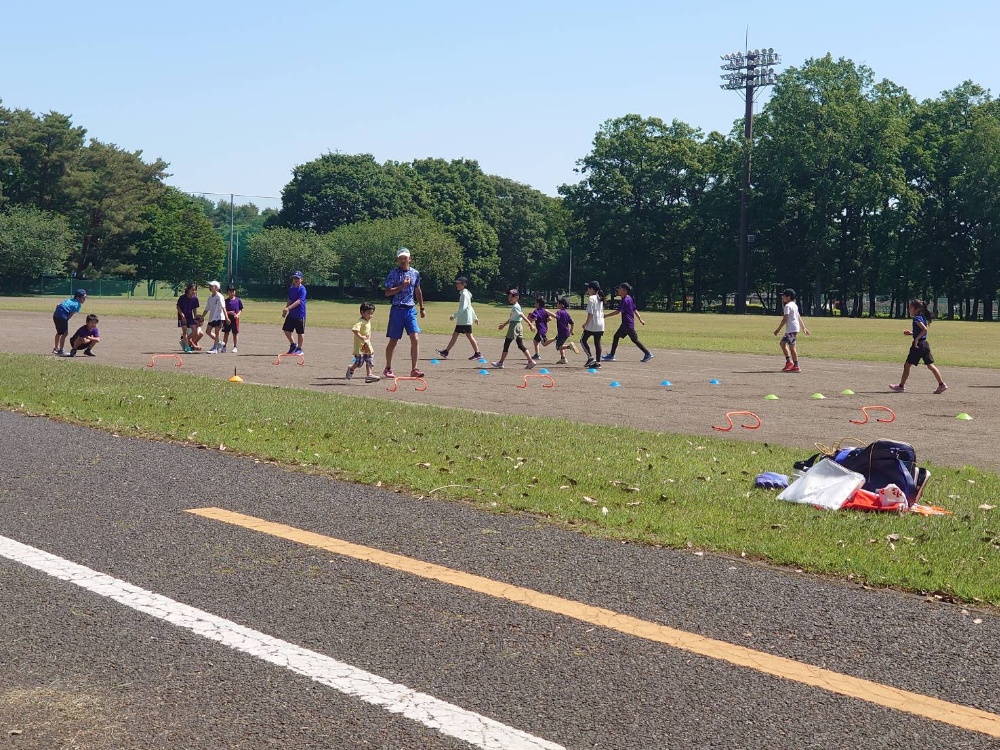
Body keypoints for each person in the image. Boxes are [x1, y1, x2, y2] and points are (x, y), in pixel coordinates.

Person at [383, 248, 425, 379]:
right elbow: (387, 292)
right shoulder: (393, 274)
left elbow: (417, 290)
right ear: (397, 260)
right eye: (400, 258)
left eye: (405, 258)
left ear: (409, 259)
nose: (403, 260)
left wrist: (422, 307)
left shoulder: (415, 273)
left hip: (410, 309)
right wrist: (402, 286)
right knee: (393, 341)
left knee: (415, 338)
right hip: (397, 309)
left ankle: (414, 369)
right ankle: (388, 368)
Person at [890, 299, 947, 394]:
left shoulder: (916, 318)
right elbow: (922, 331)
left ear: (916, 309)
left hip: (918, 345)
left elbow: (924, 330)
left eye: (910, 307)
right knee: (930, 365)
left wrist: (916, 339)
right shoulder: (922, 317)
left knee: (907, 365)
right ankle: (942, 384)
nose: (909, 309)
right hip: (924, 344)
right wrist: (912, 333)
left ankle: (901, 386)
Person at [603, 282, 652, 362]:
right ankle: (611, 355)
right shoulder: (629, 298)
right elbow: (634, 309)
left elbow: (618, 311)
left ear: (624, 290)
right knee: (616, 336)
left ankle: (647, 353)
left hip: (627, 324)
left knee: (634, 339)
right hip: (625, 324)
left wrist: (606, 315)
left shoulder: (625, 300)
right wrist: (640, 319)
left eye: (620, 288)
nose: (618, 290)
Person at [436, 276, 481, 361]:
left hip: (464, 320)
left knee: (469, 336)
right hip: (464, 320)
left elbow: (464, 307)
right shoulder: (465, 293)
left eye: (459, 283)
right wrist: (475, 317)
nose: (457, 285)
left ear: (463, 284)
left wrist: (454, 315)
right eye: (457, 283)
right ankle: (446, 351)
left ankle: (477, 353)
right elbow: (469, 307)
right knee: (456, 335)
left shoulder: (464, 294)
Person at [492, 288, 536, 369]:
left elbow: (522, 316)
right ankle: (530, 361)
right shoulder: (517, 306)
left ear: (517, 297)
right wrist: (504, 325)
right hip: (518, 326)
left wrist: (530, 324)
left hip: (514, 326)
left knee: (506, 344)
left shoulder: (515, 307)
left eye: (512, 296)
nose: (510, 298)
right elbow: (512, 318)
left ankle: (501, 363)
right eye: (509, 296)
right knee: (520, 345)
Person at [774, 287, 809, 372]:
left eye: (784, 296)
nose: (783, 298)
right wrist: (803, 328)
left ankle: (796, 366)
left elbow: (785, 319)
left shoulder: (788, 306)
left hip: (791, 330)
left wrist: (778, 330)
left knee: (792, 348)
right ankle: (789, 362)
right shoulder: (794, 305)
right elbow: (798, 317)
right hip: (792, 329)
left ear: (788, 297)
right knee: (782, 344)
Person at [346, 302, 380, 383]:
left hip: (367, 345)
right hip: (360, 347)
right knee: (359, 363)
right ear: (362, 312)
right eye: (368, 313)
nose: (370, 315)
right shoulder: (360, 322)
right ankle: (351, 369)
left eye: (372, 314)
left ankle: (369, 375)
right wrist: (361, 337)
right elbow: (354, 330)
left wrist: (368, 339)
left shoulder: (368, 321)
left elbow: (368, 332)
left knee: (369, 360)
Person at [52, 289, 87, 356]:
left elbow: (58, 304)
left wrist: (58, 314)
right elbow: (71, 314)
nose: (84, 300)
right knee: (65, 333)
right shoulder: (78, 304)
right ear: (78, 297)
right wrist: (65, 320)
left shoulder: (69, 300)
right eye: (83, 298)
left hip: (56, 315)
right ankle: (61, 350)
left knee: (59, 332)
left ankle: (56, 348)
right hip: (62, 316)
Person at [580, 281, 606, 368]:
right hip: (600, 324)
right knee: (597, 343)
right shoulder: (600, 298)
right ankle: (598, 362)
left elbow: (590, 313)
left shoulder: (591, 298)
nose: (587, 290)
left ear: (591, 289)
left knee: (582, 340)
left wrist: (585, 324)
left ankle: (590, 357)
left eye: (588, 288)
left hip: (592, 324)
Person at [281, 271, 307, 355]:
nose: (296, 279)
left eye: (297, 278)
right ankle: (293, 345)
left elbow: (299, 301)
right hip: (291, 313)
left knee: (300, 332)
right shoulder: (291, 289)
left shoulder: (302, 289)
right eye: (294, 278)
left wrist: (289, 308)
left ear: (301, 279)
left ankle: (299, 349)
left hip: (299, 314)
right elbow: (290, 299)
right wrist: (286, 309)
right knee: (286, 330)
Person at [202, 281, 227, 353]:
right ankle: (218, 342)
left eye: (211, 286)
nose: (209, 287)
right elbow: (207, 308)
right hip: (212, 317)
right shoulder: (210, 298)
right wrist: (202, 317)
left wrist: (226, 317)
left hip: (219, 317)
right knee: (208, 331)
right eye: (209, 286)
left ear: (216, 288)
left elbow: (223, 307)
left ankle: (215, 348)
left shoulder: (219, 296)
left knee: (217, 332)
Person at [553, 296, 579, 364]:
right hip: (566, 332)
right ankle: (563, 358)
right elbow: (572, 323)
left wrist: (547, 314)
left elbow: (554, 316)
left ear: (561, 305)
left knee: (558, 347)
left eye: (558, 303)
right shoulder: (566, 313)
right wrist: (571, 331)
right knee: (561, 345)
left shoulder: (559, 312)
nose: (557, 304)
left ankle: (569, 346)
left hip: (562, 332)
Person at [176, 284, 200, 352]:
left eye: (195, 290)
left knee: (195, 330)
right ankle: (187, 347)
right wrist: (182, 315)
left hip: (190, 316)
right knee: (184, 330)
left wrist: (195, 318)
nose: (193, 291)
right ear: (188, 290)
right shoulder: (182, 298)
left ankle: (184, 340)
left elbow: (194, 309)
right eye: (192, 290)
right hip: (182, 316)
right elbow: (178, 307)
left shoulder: (195, 299)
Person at [221, 285, 243, 353]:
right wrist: (228, 312)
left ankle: (235, 347)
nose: (232, 293)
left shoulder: (238, 300)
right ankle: (224, 347)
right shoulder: (225, 301)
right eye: (230, 291)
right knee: (226, 333)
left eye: (233, 291)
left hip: (235, 319)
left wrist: (237, 315)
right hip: (227, 319)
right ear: (227, 292)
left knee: (235, 333)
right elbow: (222, 310)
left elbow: (241, 309)